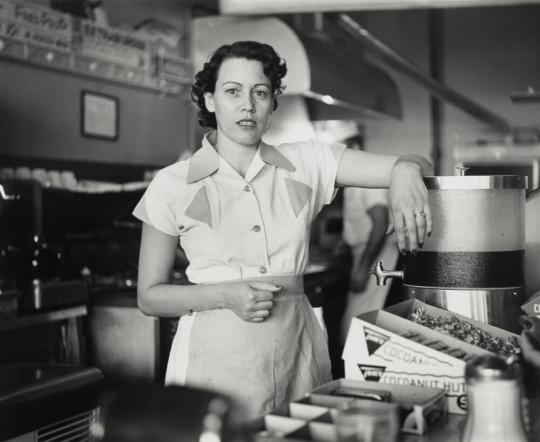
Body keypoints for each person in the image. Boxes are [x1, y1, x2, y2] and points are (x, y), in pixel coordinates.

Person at [133, 40, 433, 419]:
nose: (248, 105)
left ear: (273, 101)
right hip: (212, 363)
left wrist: (405, 172)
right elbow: (149, 297)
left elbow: (418, 162)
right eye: (232, 92)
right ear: (209, 100)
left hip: (297, 355)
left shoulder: (308, 161)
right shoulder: (172, 183)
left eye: (260, 92)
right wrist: (225, 296)